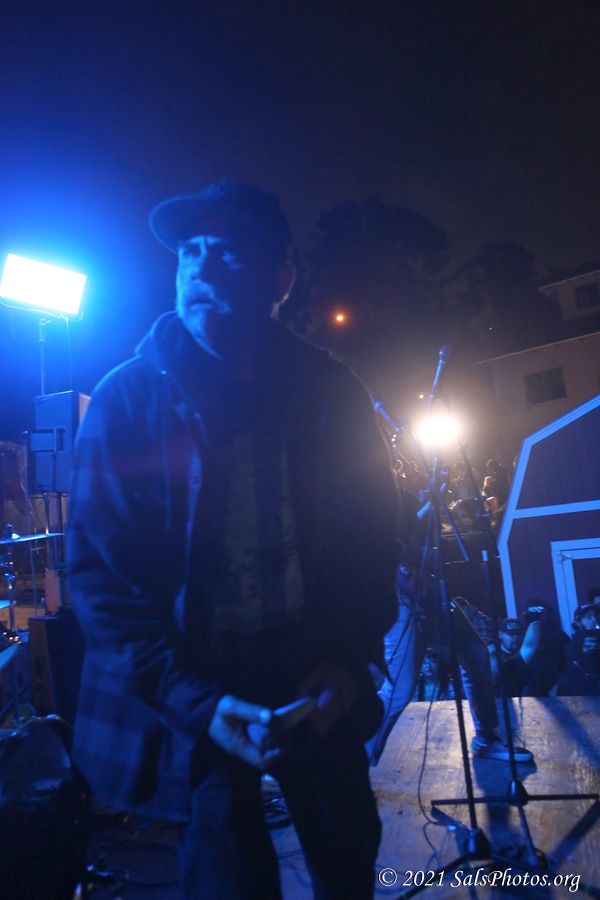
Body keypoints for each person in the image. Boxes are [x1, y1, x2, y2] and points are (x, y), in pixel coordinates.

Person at [67, 180, 399, 899]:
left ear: (283, 276)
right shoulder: (127, 401)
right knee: (227, 877)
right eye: (190, 250)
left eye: (230, 251)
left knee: (348, 858)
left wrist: (347, 659)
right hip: (200, 679)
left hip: (314, 673)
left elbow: (373, 540)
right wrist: (197, 702)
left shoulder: (331, 393)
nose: (202, 268)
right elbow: (99, 582)